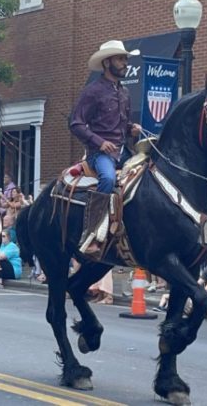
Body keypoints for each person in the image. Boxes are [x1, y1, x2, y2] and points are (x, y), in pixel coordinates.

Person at [69, 40, 142, 255]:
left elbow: (121, 125)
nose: (125, 63)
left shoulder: (125, 93)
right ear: (107, 62)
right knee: (108, 179)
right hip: (99, 155)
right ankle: (91, 234)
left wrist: (132, 129)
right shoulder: (92, 91)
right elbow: (75, 123)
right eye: (120, 59)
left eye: (125, 59)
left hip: (123, 151)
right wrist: (100, 142)